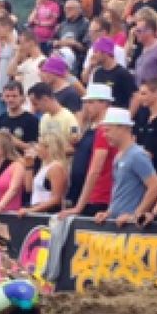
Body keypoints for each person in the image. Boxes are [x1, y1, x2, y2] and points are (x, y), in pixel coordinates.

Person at [93, 107, 157, 227]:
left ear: (122, 128)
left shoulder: (137, 155)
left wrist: (135, 215)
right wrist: (108, 213)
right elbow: (119, 191)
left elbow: (155, 187)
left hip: (129, 228)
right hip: (118, 223)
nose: (105, 135)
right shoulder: (119, 156)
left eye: (108, 130)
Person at [59, 83, 115, 218]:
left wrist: (79, 206)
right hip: (84, 194)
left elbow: (95, 170)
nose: (86, 107)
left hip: (97, 197)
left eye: (91, 102)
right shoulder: (91, 129)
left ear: (104, 104)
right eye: (86, 103)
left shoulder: (104, 131)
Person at [18, 129, 69, 215]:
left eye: (39, 145)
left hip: (49, 214)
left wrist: (31, 210)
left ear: (48, 148)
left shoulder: (56, 167)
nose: (37, 148)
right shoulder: (44, 166)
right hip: (39, 211)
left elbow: (56, 199)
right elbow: (29, 188)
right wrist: (29, 166)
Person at [90, 36, 138, 110]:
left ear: (105, 53)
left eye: (96, 52)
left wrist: (128, 117)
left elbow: (135, 97)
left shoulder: (122, 74)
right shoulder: (97, 73)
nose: (93, 55)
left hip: (118, 117)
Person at [0, 81, 38, 152]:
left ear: (22, 97)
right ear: (3, 97)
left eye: (14, 96)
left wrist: (15, 142)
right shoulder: (0, 119)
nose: (10, 99)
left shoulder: (32, 120)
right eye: (7, 96)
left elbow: (35, 148)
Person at [132, 16, 157, 84]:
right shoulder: (142, 50)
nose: (136, 34)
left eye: (139, 31)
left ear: (150, 31)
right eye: (136, 31)